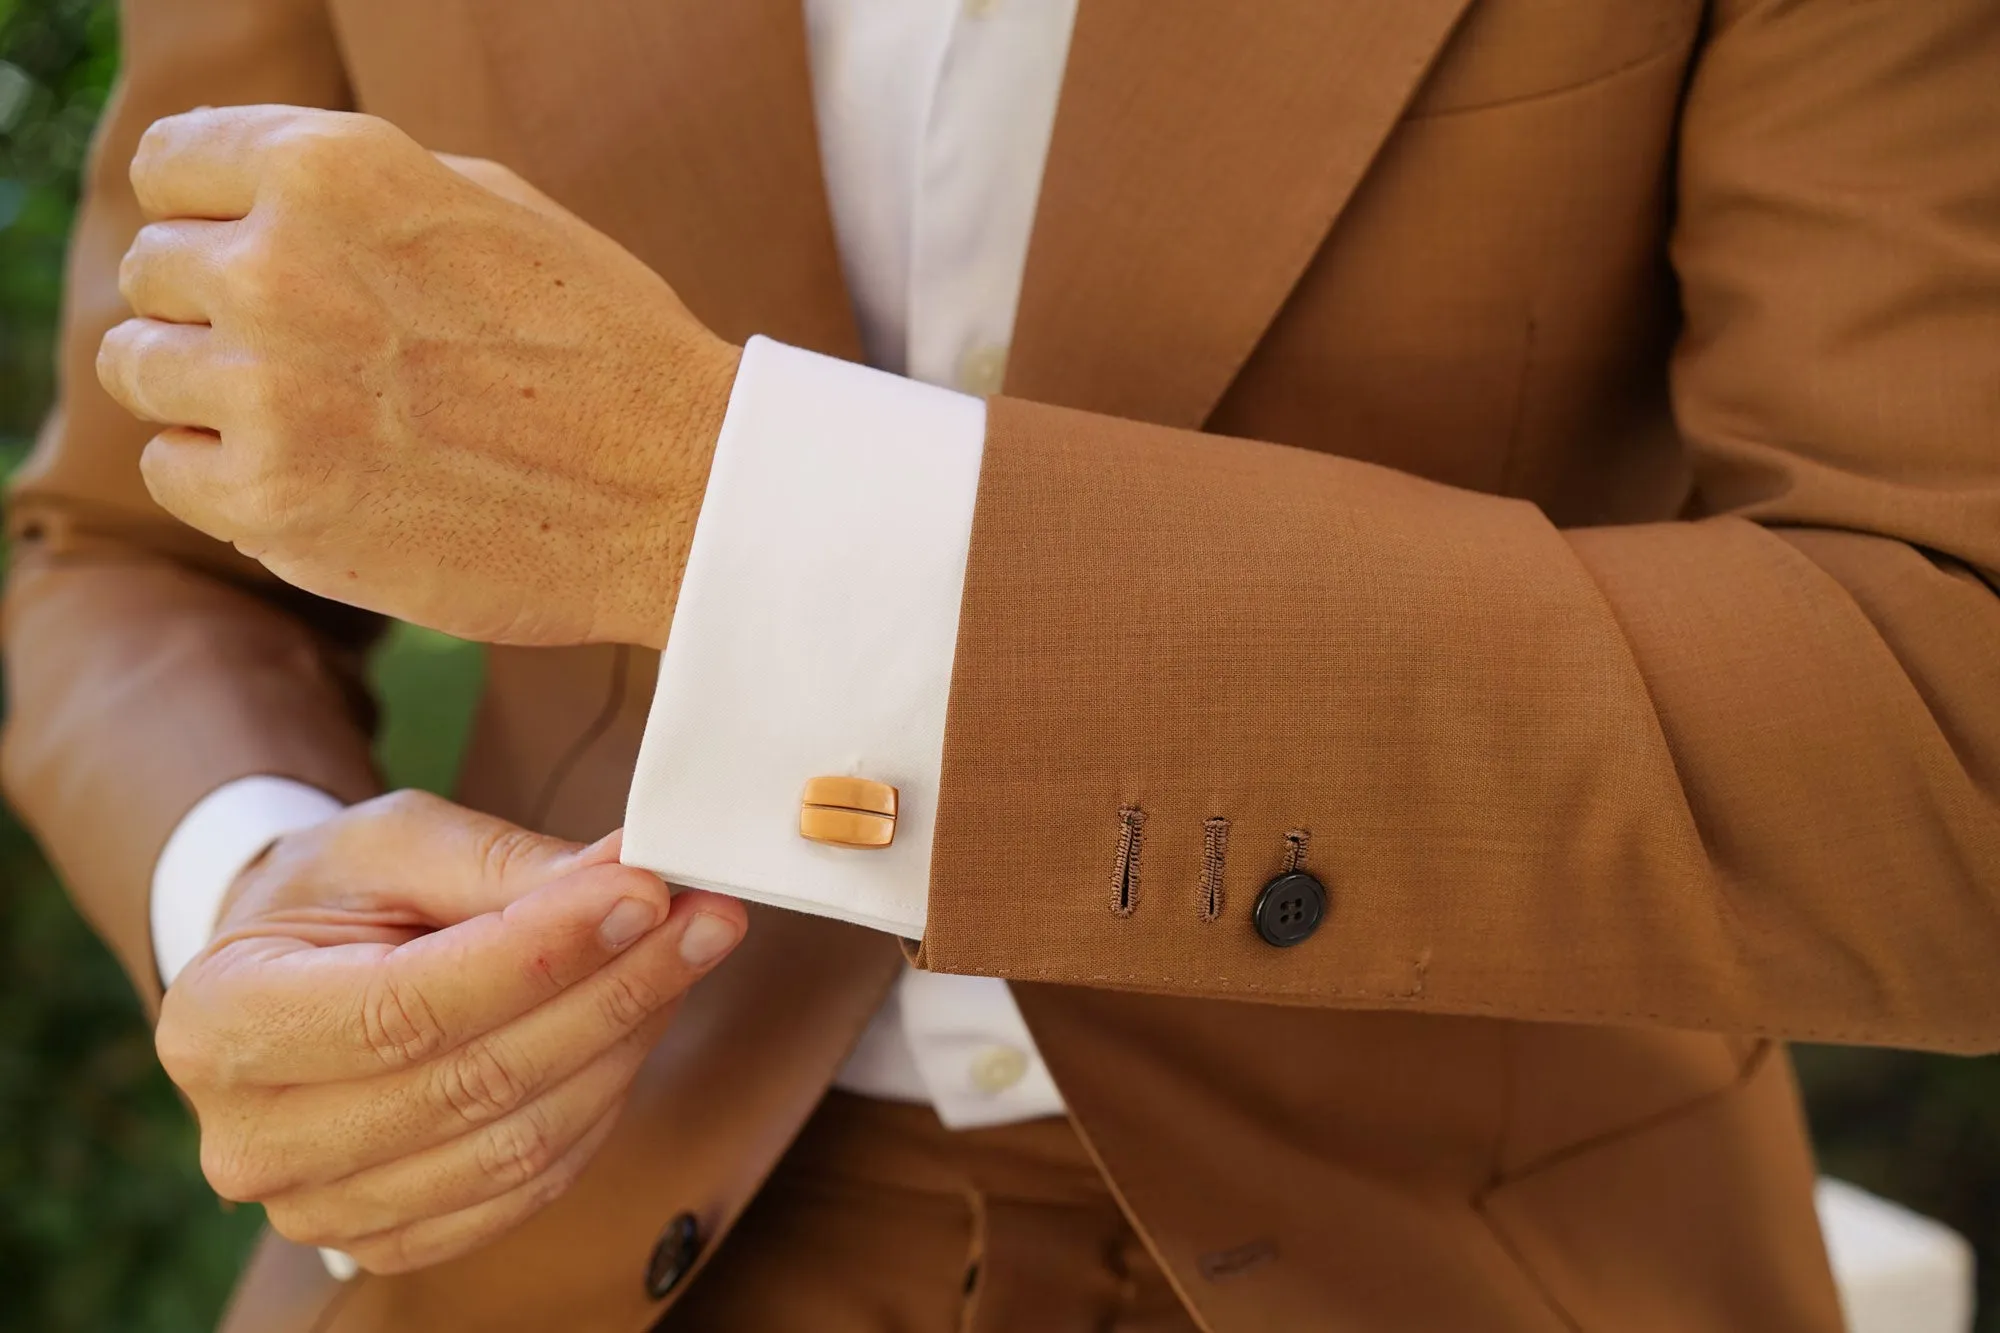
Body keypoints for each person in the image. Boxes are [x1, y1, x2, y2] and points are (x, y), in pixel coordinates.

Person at [6, 0, 1997, 1329]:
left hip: (1469, 1248)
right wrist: (246, 881)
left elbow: (1952, 721)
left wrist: (739, 512)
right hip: (550, 1231)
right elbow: (111, 548)